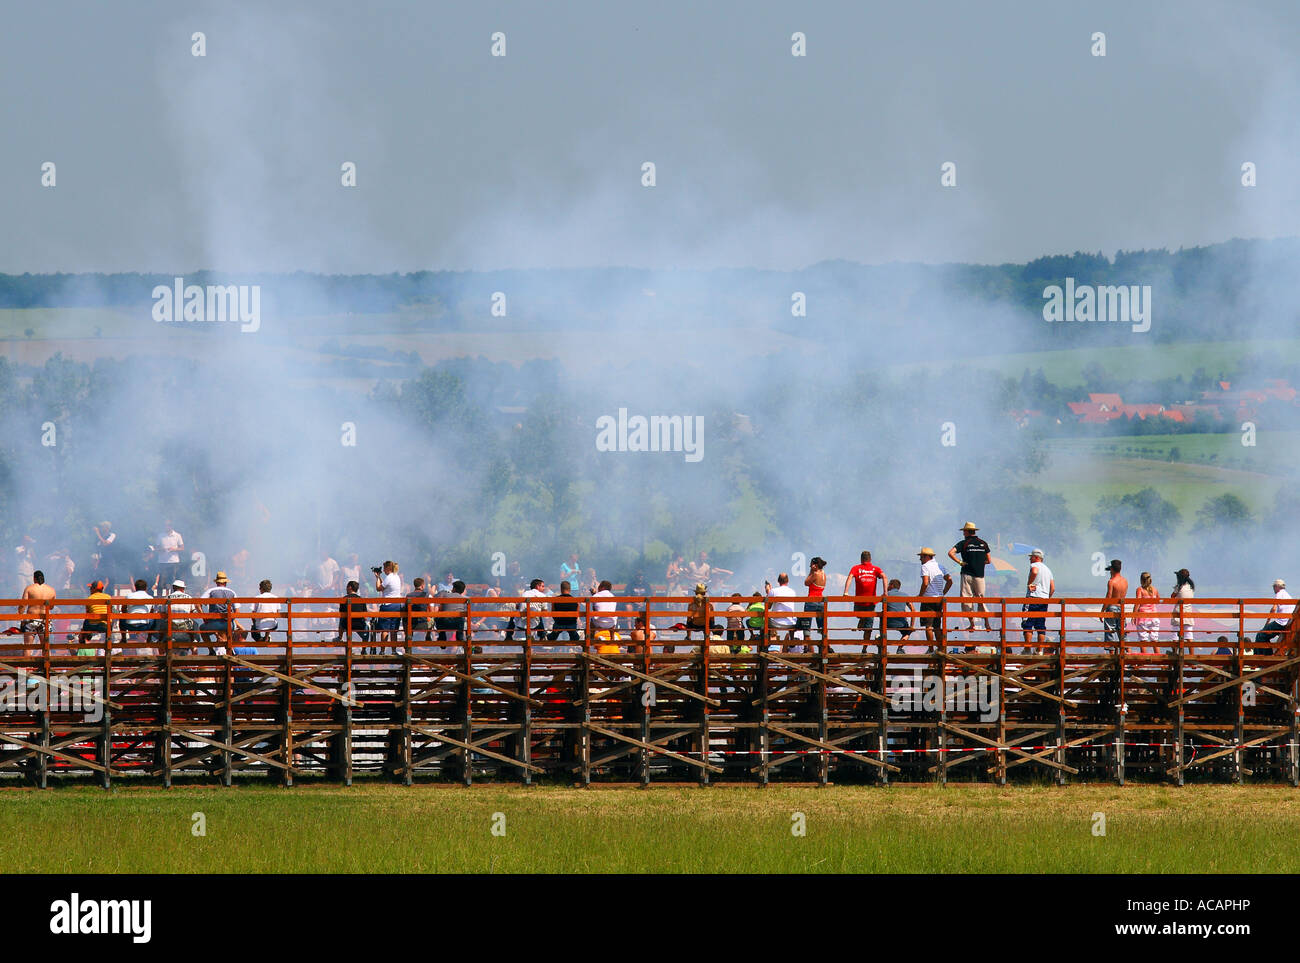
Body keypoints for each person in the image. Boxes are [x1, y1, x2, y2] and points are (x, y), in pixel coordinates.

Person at [948, 522, 993, 633]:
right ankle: (987, 623)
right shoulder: (983, 543)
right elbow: (989, 560)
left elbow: (950, 553)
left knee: (966, 599)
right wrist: (979, 562)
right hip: (980, 576)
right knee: (981, 599)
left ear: (967, 531)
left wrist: (960, 562)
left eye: (964, 531)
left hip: (967, 574)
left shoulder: (963, 543)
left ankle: (972, 624)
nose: (963, 533)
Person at [845, 550, 886, 651]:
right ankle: (864, 646)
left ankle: (864, 648)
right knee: (868, 627)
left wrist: (846, 592)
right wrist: (885, 592)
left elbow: (850, 577)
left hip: (860, 602)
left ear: (861, 559)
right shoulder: (876, 569)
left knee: (866, 624)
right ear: (870, 559)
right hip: (870, 603)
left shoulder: (856, 568)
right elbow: (884, 577)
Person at [917, 548, 953, 649]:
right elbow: (950, 581)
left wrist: (920, 595)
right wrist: (942, 593)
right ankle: (941, 648)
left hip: (928, 599)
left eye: (921, 557)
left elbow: (925, 582)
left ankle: (931, 648)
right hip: (939, 599)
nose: (920, 559)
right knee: (937, 626)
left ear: (927, 557)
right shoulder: (940, 566)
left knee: (928, 626)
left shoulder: (925, 566)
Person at [1020, 550, 1054, 652]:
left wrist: (1029, 583)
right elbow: (1052, 588)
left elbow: (1034, 571)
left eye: (1031, 557)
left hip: (1032, 598)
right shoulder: (1048, 570)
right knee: (1040, 625)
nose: (1030, 559)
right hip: (1044, 600)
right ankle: (1039, 650)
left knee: (1028, 623)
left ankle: (1027, 650)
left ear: (1036, 558)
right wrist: (1047, 597)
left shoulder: (1035, 565)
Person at [19, 569, 56, 656]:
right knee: (45, 646)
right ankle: (46, 667)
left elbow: (23, 605)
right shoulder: (51, 590)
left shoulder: (29, 588)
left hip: (31, 619)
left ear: (34, 579)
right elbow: (51, 607)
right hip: (45, 620)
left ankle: (26, 668)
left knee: (28, 646)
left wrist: (20, 614)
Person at [199, 571, 238, 655]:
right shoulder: (232, 592)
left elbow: (198, 604)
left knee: (202, 628)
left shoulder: (211, 591)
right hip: (227, 624)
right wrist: (231, 620)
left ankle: (211, 650)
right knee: (228, 631)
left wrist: (204, 618)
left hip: (214, 623)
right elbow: (237, 611)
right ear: (225, 583)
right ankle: (230, 649)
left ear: (217, 582)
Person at [70, 580, 112, 654]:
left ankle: (83, 640)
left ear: (94, 589)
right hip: (106, 626)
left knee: (86, 621)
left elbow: (88, 614)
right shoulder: (108, 597)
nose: (89, 590)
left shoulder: (89, 599)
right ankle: (108, 639)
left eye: (90, 588)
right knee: (109, 620)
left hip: (93, 626)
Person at [1253, 579, 1294, 653]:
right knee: (1265, 635)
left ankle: (1262, 656)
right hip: (1288, 621)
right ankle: (1267, 654)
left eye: (1274, 587)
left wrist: (1267, 621)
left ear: (1277, 587)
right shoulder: (1288, 595)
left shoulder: (1279, 594)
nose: (1273, 589)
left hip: (1281, 622)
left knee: (1260, 635)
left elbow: (1273, 609)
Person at [373, 560, 404, 648]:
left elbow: (379, 588)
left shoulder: (389, 577)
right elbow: (385, 585)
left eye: (384, 568)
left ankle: (382, 650)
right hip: (397, 605)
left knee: (384, 630)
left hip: (387, 605)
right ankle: (394, 650)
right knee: (394, 630)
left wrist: (377, 577)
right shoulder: (396, 576)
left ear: (388, 568)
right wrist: (379, 578)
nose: (383, 570)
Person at [764, 573, 799, 648]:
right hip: (790, 622)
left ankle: (767, 641)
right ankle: (792, 639)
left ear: (778, 581)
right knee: (792, 616)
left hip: (775, 622)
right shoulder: (792, 592)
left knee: (765, 618)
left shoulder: (773, 591)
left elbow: (768, 607)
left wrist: (768, 592)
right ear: (788, 581)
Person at [121, 578, 157, 651]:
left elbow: (123, 610)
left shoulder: (128, 596)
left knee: (121, 618)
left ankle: (124, 639)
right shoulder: (150, 598)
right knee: (154, 618)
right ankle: (149, 638)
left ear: (135, 587)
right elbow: (151, 612)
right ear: (146, 588)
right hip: (145, 626)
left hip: (130, 625)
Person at [338, 580, 372, 651]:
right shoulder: (361, 599)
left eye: (347, 587)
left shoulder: (344, 599)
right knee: (367, 628)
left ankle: (340, 638)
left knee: (342, 618)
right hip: (359, 624)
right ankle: (364, 649)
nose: (346, 589)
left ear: (350, 587)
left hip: (347, 624)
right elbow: (365, 616)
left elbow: (341, 614)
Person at [1102, 559, 1128, 649]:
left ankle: (1111, 656)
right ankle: (1127, 652)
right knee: (1122, 633)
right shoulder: (1125, 581)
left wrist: (1102, 611)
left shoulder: (1111, 582)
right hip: (1121, 608)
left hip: (1112, 608)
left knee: (1110, 633)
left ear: (1112, 569)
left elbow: (1108, 597)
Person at [883, 579, 915, 652]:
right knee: (907, 633)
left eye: (889, 585)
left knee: (882, 618)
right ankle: (899, 649)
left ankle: (883, 648)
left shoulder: (886, 594)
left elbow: (884, 608)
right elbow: (913, 610)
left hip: (887, 623)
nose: (887, 586)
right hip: (901, 623)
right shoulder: (905, 595)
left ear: (892, 585)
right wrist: (911, 626)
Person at [1132, 572, 1159, 653]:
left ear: (1141, 580)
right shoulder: (1154, 590)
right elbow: (1158, 600)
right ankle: (1159, 660)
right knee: (1154, 640)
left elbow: (1138, 603)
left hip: (1143, 618)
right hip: (1154, 617)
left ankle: (1144, 660)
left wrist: (1133, 615)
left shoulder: (1140, 589)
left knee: (1143, 640)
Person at [548, 581, 582, 646]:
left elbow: (553, 613)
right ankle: (574, 638)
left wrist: (557, 620)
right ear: (570, 589)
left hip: (559, 624)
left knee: (553, 635)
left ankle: (550, 639)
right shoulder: (576, 601)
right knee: (574, 635)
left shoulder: (555, 600)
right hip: (571, 625)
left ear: (561, 589)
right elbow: (577, 615)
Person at [435, 580, 468, 645]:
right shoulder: (463, 599)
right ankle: (459, 637)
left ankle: (442, 638)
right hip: (458, 624)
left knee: (437, 618)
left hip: (445, 623)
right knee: (461, 619)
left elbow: (441, 609)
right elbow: (464, 612)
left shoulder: (446, 596)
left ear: (454, 589)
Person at [156, 520, 185, 593]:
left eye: (168, 525)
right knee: (161, 582)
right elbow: (156, 548)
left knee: (173, 581)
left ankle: (172, 598)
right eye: (165, 525)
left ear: (171, 526)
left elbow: (182, 548)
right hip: (162, 562)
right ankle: (159, 601)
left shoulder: (177, 535)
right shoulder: (160, 535)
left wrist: (174, 549)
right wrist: (161, 549)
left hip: (174, 561)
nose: (166, 527)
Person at [803, 556, 827, 640]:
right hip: (820, 601)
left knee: (806, 625)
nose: (810, 567)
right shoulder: (824, 574)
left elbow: (806, 582)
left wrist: (811, 571)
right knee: (822, 626)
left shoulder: (815, 574)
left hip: (811, 601)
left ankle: (806, 647)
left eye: (811, 565)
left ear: (815, 565)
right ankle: (826, 645)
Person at [590, 580, 619, 650]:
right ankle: (612, 638)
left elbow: (594, 609)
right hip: (611, 624)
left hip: (599, 623)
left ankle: (591, 638)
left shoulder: (595, 596)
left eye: (599, 586)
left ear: (602, 587)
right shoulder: (613, 597)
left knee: (591, 620)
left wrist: (593, 594)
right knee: (613, 618)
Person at [1170, 568, 1196, 644]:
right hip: (1188, 613)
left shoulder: (1178, 587)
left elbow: (1172, 596)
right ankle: (1191, 654)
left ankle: (1175, 652)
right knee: (1189, 636)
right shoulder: (1191, 587)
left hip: (1178, 612)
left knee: (1175, 635)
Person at [251, 579, 279, 645]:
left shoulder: (257, 598)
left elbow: (252, 614)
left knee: (253, 629)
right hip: (272, 625)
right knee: (270, 621)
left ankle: (262, 640)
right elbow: (277, 613)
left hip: (259, 626)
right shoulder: (276, 598)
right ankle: (267, 637)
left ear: (261, 589)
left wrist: (255, 624)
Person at [408, 577, 434, 643]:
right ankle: (428, 635)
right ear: (422, 586)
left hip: (411, 624)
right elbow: (431, 612)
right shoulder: (427, 595)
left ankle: (408, 636)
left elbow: (405, 609)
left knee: (405, 619)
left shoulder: (408, 595)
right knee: (433, 620)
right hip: (424, 624)